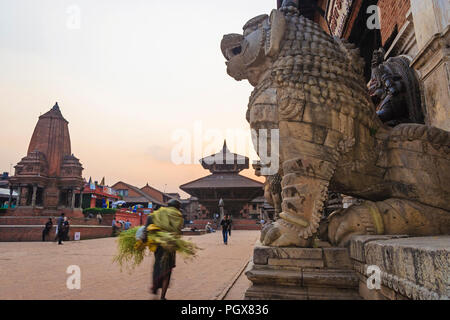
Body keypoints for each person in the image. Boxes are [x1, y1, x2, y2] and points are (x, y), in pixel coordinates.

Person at [145, 199, 183, 300]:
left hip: (158, 246)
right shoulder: (177, 216)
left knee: (158, 266)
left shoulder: (156, 215)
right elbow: (178, 232)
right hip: (170, 247)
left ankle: (155, 288)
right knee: (168, 270)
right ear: (177, 207)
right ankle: (163, 296)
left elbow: (147, 228)